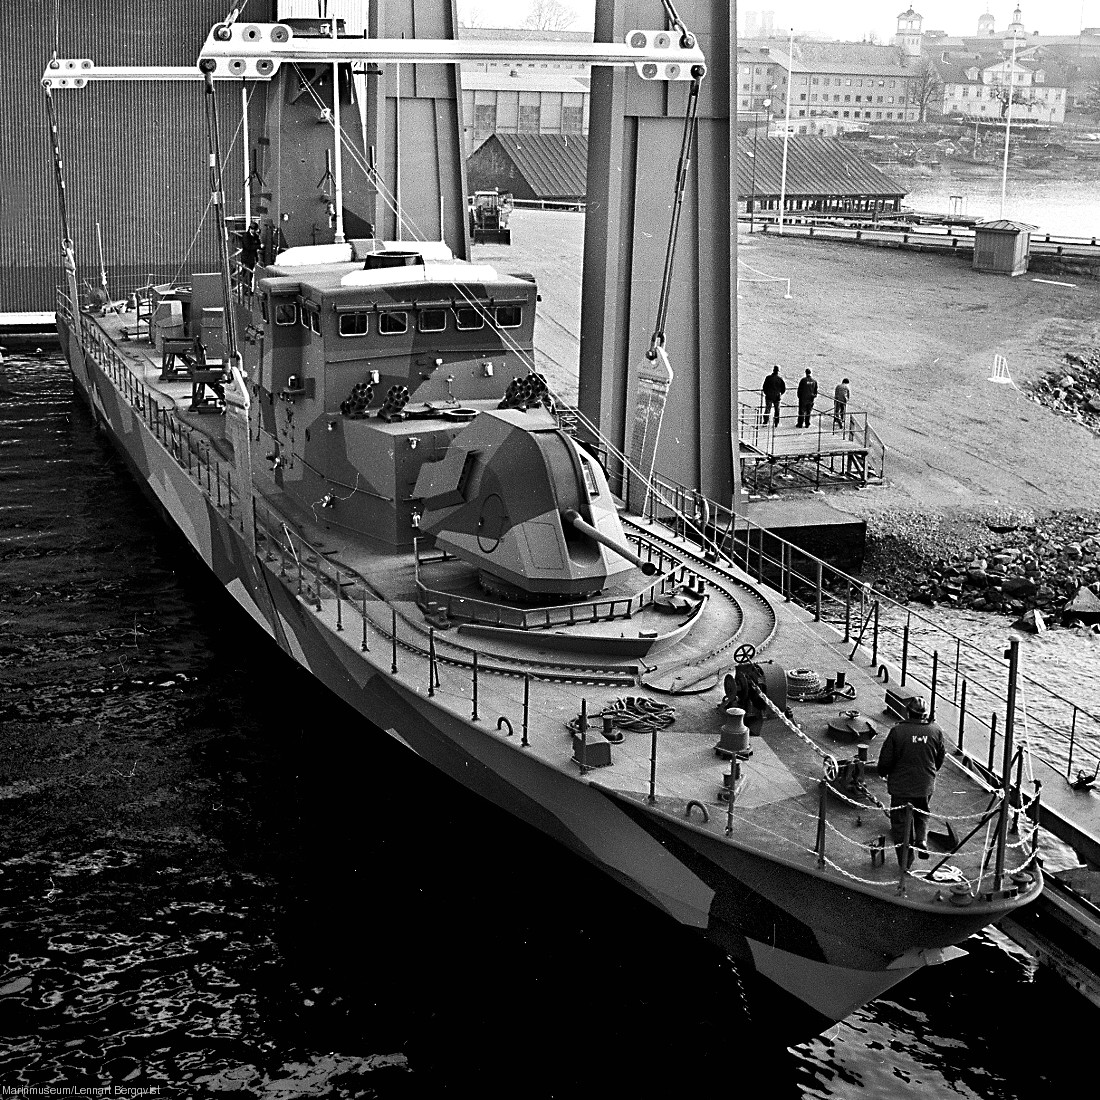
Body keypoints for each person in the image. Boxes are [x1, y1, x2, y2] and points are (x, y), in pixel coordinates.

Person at [876, 697, 946, 868]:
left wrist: (882, 772)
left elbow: (886, 760)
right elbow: (940, 757)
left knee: (900, 823)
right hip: (925, 784)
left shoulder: (898, 731)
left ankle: (905, 862)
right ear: (925, 713)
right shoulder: (935, 730)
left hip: (901, 787)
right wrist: (929, 773)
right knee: (922, 814)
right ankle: (921, 840)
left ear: (908, 712)